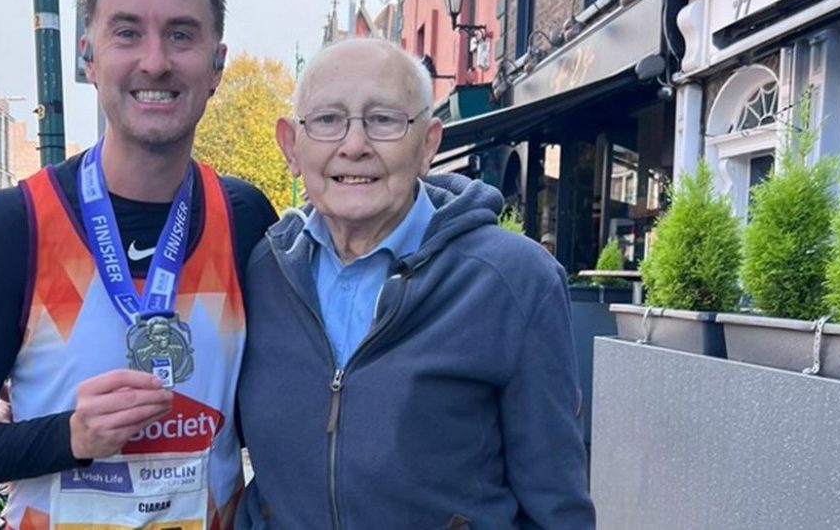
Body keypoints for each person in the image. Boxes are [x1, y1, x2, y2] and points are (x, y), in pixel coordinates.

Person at [0, 0, 276, 530]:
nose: (155, 61)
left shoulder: (244, 219)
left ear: (216, 64)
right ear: (88, 57)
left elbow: (287, 406)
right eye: (127, 32)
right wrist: (71, 435)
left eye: (181, 35)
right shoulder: (14, 225)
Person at [236, 38, 595, 528]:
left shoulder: (514, 281)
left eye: (384, 119)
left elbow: (556, 506)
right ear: (291, 145)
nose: (354, 145)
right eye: (326, 120)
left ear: (428, 144)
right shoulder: (263, 272)